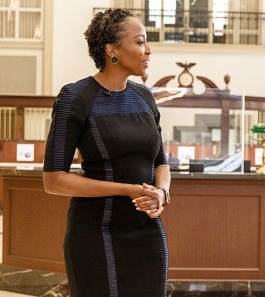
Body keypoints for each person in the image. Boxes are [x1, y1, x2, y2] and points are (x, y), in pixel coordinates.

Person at [43, 9, 170, 297]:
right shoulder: (75, 97)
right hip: (95, 233)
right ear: (112, 49)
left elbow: (161, 161)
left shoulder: (144, 96)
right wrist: (127, 190)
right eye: (139, 42)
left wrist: (162, 194)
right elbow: (54, 180)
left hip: (147, 231)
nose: (148, 50)